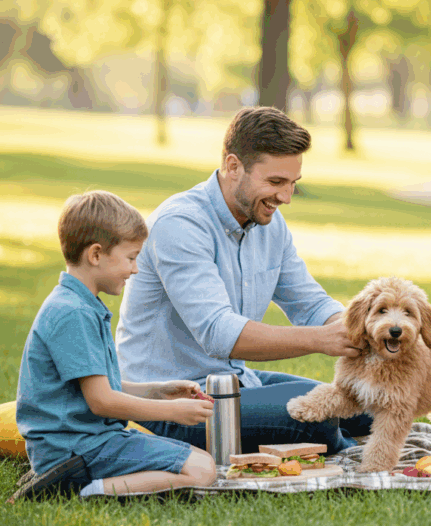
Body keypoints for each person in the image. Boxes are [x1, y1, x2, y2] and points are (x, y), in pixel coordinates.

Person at [115, 106, 371, 454]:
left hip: (236, 381)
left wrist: (357, 329)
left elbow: (310, 303)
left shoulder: (269, 223)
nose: (286, 197)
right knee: (318, 416)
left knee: (363, 403)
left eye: (293, 184)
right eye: (275, 182)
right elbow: (219, 333)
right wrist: (321, 340)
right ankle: (344, 448)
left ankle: (336, 439)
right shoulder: (180, 225)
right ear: (233, 166)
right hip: (173, 403)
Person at [16, 191, 216, 496]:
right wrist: (172, 411)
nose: (135, 269)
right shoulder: (73, 313)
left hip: (85, 443)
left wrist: (158, 391)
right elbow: (102, 402)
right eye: (131, 258)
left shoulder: (79, 304)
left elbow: (99, 387)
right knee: (202, 469)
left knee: (201, 460)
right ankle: (82, 490)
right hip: (77, 450)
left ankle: (81, 482)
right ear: (96, 255)